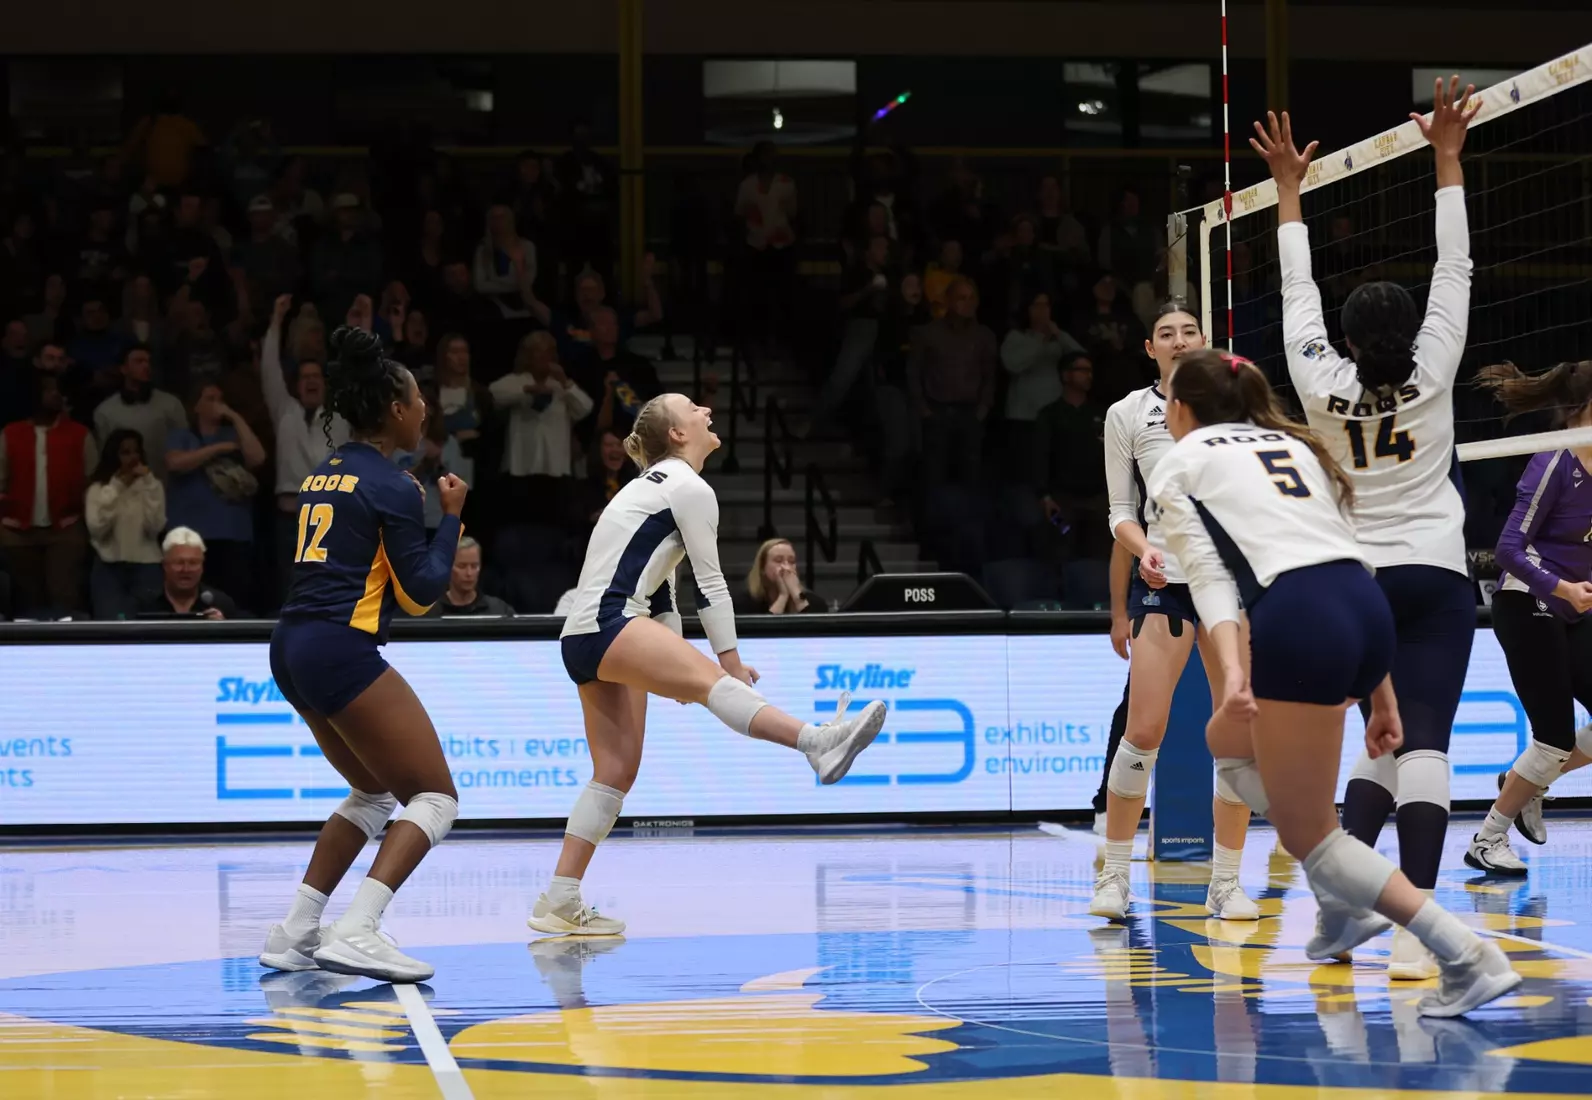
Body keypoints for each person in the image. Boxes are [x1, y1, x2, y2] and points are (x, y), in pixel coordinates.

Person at [1150, 347, 1520, 1018]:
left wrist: (1233, 670)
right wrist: (1380, 690)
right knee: (1222, 740)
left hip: (1299, 618)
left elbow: (1208, 581)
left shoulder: (1181, 461)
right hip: (1363, 605)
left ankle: (1465, 955)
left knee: (1313, 835)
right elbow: (1341, 548)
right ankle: (1337, 909)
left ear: (1181, 409)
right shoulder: (1290, 446)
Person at [1252, 82, 1480, 979]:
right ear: (1409, 330)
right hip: (1436, 571)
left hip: (1357, 583)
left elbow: (1295, 288)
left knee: (1376, 744)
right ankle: (1418, 936)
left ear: (1347, 337)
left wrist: (1289, 191)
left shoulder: (1317, 382)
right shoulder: (1434, 366)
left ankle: (1345, 910)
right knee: (1421, 738)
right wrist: (1448, 157)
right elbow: (1455, 269)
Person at [533, 393, 888, 935]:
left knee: (616, 771)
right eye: (693, 407)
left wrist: (675, 661)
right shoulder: (688, 486)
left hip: (582, 635)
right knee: (713, 686)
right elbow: (711, 583)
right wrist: (728, 660)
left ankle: (560, 897)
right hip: (610, 622)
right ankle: (817, 743)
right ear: (677, 434)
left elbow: (663, 593)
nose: (705, 410)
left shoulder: (647, 488)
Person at [260, 327, 467, 983]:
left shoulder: (324, 473)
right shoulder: (397, 484)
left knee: (374, 792)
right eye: (417, 400)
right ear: (395, 411)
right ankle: (358, 929)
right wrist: (452, 516)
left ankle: (295, 931)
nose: (425, 410)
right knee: (435, 799)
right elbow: (421, 594)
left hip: (290, 645)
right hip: (338, 646)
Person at [1093, 300, 1257, 923]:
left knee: (1235, 734)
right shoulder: (1128, 414)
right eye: (1168, 333)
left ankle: (1226, 883)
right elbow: (1118, 512)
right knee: (1146, 730)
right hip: (1164, 581)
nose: (1180, 339)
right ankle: (1114, 875)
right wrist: (1145, 553)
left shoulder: (1235, 402)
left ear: (1205, 341)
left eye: (1189, 331)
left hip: (1227, 581)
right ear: (1151, 348)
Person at [1461, 360, 1592, 874]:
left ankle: (1527, 781)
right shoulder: (1554, 461)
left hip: (1575, 604)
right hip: (1527, 599)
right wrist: (1560, 586)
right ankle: (1487, 839)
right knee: (1554, 734)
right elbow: (1510, 548)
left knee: (1552, 746)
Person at [85, 429, 166, 619]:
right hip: (109, 569)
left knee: (148, 630)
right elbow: (97, 529)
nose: (132, 458)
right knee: (110, 630)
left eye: (136, 452)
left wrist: (149, 484)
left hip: (147, 568)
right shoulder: (98, 490)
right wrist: (116, 487)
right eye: (125, 452)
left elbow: (155, 527)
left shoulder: (153, 486)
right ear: (114, 456)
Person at [735, 537, 825, 615]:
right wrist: (783, 596)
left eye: (791, 561)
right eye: (778, 561)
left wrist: (797, 596)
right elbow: (763, 632)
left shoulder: (814, 602)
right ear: (762, 568)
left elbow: (815, 630)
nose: (786, 567)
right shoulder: (744, 603)